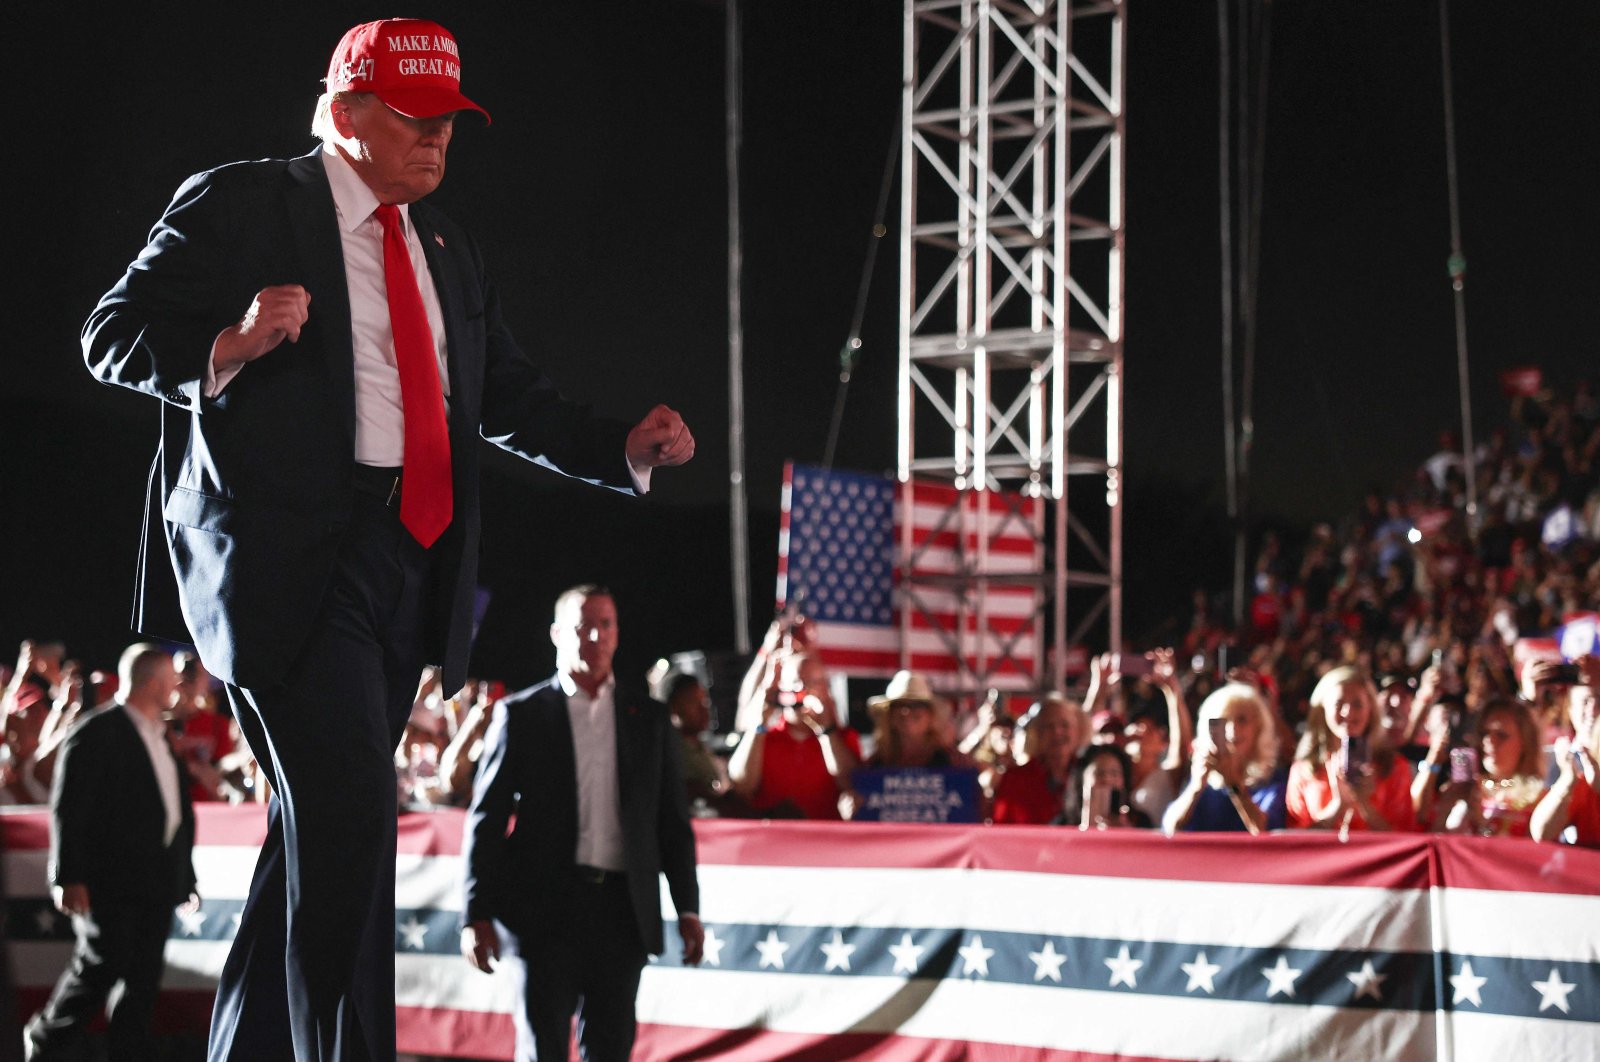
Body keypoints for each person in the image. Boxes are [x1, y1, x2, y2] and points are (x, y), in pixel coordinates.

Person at [80, 20, 695, 1062]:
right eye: (414, 118)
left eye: (450, 120)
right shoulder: (240, 202)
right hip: (287, 563)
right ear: (345, 109)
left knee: (318, 836)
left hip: (410, 565)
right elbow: (111, 333)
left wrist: (620, 446)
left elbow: (508, 400)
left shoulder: (446, 247)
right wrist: (229, 342)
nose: (436, 139)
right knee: (355, 813)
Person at [461, 586, 702, 1062]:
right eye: (582, 626)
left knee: (610, 1050)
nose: (596, 636)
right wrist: (475, 912)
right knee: (542, 1050)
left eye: (606, 625)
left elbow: (672, 823)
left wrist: (688, 909)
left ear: (618, 632)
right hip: (542, 911)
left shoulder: (649, 720)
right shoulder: (522, 715)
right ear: (556, 634)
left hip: (621, 913)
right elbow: (485, 820)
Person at [24, 644, 197, 1062]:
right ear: (153, 682)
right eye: (172, 680)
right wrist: (67, 875)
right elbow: (69, 806)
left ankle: (128, 1054)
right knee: (101, 965)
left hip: (155, 880)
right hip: (109, 880)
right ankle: (46, 1041)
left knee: (141, 982)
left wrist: (184, 877)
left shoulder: (160, 735)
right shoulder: (97, 730)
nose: (178, 688)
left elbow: (174, 810)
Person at [727, 650, 860, 819]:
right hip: (773, 839)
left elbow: (852, 784)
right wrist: (758, 725)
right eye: (796, 683)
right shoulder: (764, 737)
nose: (802, 691)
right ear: (781, 689)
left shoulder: (844, 737)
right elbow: (741, 786)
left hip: (826, 840)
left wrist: (827, 731)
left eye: (813, 683)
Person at [1286, 666, 1417, 832]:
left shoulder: (1394, 767)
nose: (1348, 713)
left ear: (1370, 709)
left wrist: (1365, 805)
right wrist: (1337, 806)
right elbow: (1293, 841)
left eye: (1357, 704)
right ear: (1323, 709)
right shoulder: (1305, 769)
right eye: (1338, 704)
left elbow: (1406, 841)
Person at [1162, 682, 1286, 834]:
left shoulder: (1273, 781)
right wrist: (1195, 786)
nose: (1232, 730)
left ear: (1259, 727)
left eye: (1242, 720)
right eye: (1223, 721)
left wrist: (1234, 784)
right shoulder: (1205, 780)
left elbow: (1265, 831)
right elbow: (1170, 828)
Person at [1413, 697, 1545, 836]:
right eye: (1484, 734)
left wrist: (1481, 824)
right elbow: (1420, 820)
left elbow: (1531, 851)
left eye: (1501, 735)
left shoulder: (1537, 797)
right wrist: (1445, 810)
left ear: (1525, 742)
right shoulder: (1467, 788)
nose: (1489, 741)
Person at [990, 693, 1087, 825]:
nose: (1057, 732)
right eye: (1049, 726)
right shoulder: (1015, 779)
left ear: (1078, 731)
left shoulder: (1090, 775)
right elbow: (1002, 830)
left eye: (1064, 725)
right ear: (1038, 733)